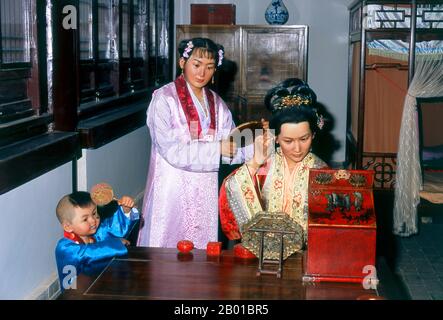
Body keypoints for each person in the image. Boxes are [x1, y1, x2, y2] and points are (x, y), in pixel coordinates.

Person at [137, 37, 254, 249]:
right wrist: (216, 148)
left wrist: (260, 146)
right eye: (196, 65)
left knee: (202, 245)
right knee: (167, 246)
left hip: (204, 188)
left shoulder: (217, 103)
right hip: (171, 186)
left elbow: (232, 142)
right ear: (182, 63)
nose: (202, 73)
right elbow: (170, 150)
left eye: (209, 67)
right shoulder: (164, 99)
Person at [219, 78, 328, 257]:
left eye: (304, 139)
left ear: (313, 135)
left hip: (306, 256)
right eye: (288, 141)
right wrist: (255, 162)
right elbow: (230, 189)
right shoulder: (267, 165)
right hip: (263, 254)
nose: (297, 148)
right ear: (276, 138)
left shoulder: (321, 171)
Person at [55, 191, 139, 290]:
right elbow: (88, 253)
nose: (93, 220)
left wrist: (126, 210)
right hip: (75, 293)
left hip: (97, 287)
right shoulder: (64, 247)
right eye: (85, 219)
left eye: (94, 213)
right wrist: (116, 243)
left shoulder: (96, 233)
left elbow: (113, 228)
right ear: (68, 226)